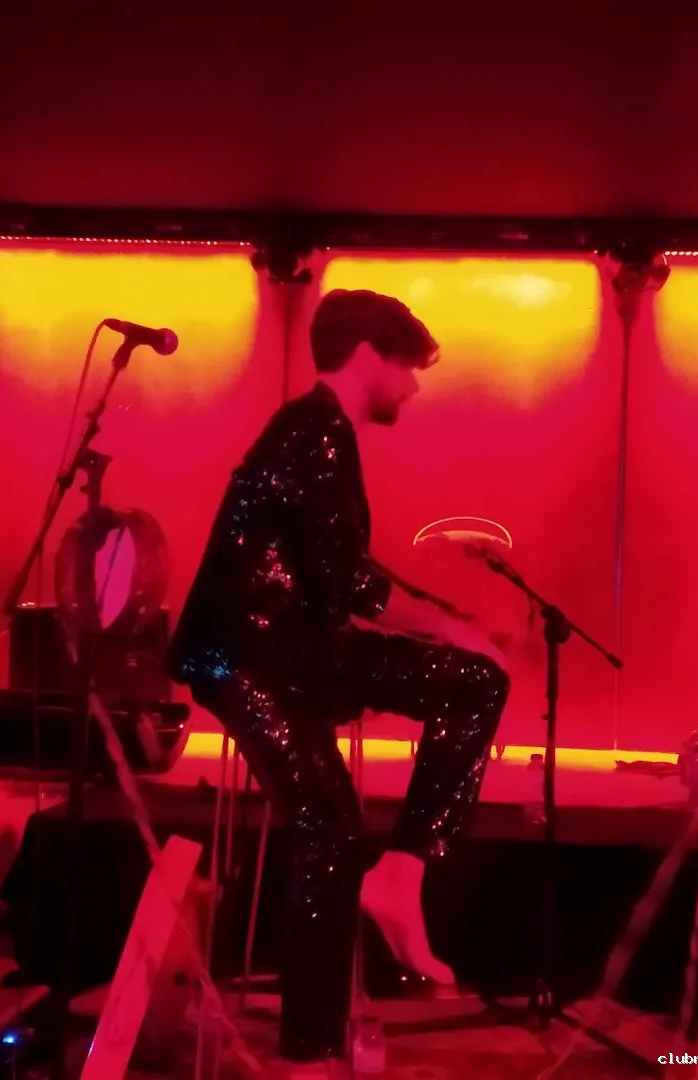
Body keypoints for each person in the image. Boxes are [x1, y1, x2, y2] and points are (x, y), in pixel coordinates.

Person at [168, 289, 510, 1073]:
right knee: (330, 829)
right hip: (250, 659)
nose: (412, 387)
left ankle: (402, 874)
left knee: (472, 682)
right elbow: (351, 582)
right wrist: (449, 623)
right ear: (366, 357)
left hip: (304, 650)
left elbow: (340, 571)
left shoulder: (320, 433)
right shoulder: (312, 431)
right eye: (406, 367)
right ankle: (310, 1052)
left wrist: (453, 622)